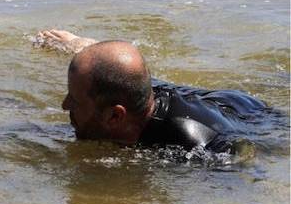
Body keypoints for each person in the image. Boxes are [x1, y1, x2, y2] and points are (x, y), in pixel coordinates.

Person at [40, 33, 283, 155]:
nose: (64, 105)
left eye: (74, 100)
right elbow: (123, 73)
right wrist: (77, 44)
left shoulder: (192, 143)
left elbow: (246, 164)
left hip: (251, 116)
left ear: (115, 117)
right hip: (198, 102)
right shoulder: (131, 91)